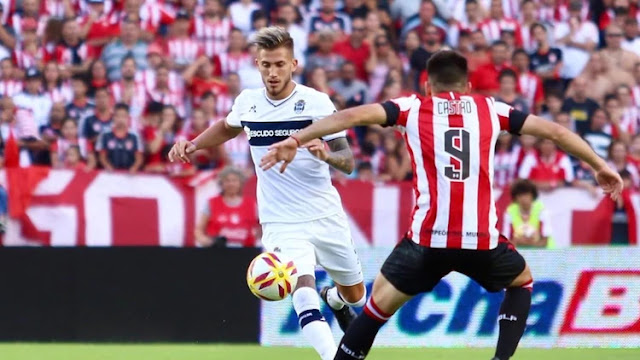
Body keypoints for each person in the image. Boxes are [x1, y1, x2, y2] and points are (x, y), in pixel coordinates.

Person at [260, 50, 623, 360]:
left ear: (426, 84)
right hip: (481, 241)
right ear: (467, 85)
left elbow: (351, 116)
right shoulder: (490, 108)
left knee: (371, 314)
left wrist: (297, 137)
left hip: (425, 243)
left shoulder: (413, 107)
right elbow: (557, 132)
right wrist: (601, 165)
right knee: (522, 283)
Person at [168, 27, 366, 360]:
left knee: (356, 295)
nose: (272, 73)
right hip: (280, 219)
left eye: (278, 64)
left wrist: (326, 156)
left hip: (325, 214)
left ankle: (334, 299)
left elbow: (347, 162)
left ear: (294, 64)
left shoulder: (316, 102)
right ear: (257, 65)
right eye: (265, 65)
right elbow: (229, 126)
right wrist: (195, 144)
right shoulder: (248, 102)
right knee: (302, 291)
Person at [195, 166, 259, 248]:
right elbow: (199, 230)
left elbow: (261, 227)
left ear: (240, 183)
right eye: (227, 181)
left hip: (245, 252)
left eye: (234, 181)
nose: (231, 184)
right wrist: (206, 242)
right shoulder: (212, 203)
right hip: (218, 251)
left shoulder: (251, 204)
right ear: (221, 183)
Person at [502, 180, 554, 248]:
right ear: (515, 198)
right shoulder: (509, 212)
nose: (523, 199)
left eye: (526, 195)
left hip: (543, 253)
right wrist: (518, 241)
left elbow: (545, 241)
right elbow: (506, 240)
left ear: (532, 195)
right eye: (520, 195)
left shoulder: (542, 211)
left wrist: (527, 243)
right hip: (519, 253)